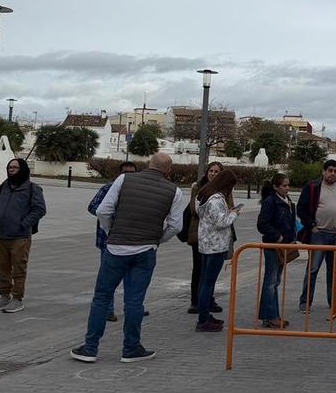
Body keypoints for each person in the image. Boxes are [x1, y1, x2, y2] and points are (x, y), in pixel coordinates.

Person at [71, 153, 184, 363]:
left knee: (102, 297)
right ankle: (131, 348)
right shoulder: (175, 191)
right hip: (145, 250)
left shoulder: (124, 179)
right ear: (168, 171)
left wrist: (110, 231)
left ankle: (90, 348)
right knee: (135, 301)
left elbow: (103, 210)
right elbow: (176, 226)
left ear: (148, 165)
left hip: (115, 249)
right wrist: (157, 239)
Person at [0, 157, 47, 313]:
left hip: (20, 237)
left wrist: (23, 224)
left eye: (15, 167)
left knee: (19, 268)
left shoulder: (33, 189)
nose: (11, 169)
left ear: (23, 170)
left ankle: (17, 298)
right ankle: (4, 295)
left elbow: (40, 209)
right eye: (9, 167)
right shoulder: (4, 186)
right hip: (1, 235)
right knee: (1, 267)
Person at [296, 159, 336, 314]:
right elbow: (301, 208)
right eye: (330, 170)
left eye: (335, 171)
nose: (332, 174)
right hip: (319, 234)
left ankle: (333, 300)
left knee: (333, 271)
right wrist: (312, 226)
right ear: (323, 171)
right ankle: (305, 301)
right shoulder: (313, 187)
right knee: (313, 269)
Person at [88, 161, 139, 322]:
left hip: (132, 241)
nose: (128, 176)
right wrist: (113, 217)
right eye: (125, 173)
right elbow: (93, 207)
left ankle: (131, 307)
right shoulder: (108, 188)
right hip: (109, 241)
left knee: (132, 278)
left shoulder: (138, 191)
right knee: (108, 278)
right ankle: (107, 310)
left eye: (132, 173)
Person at [194, 168, 242, 332]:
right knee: (208, 283)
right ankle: (202, 320)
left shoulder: (205, 196)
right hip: (215, 246)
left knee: (205, 282)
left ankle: (205, 315)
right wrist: (234, 213)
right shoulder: (216, 199)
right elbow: (221, 222)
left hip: (207, 244)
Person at [255, 172, 295, 329]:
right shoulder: (270, 202)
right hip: (273, 246)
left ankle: (272, 314)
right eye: (284, 186)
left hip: (285, 245)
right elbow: (262, 224)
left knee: (276, 281)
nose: (287, 188)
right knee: (271, 281)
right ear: (275, 187)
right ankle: (269, 316)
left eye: (288, 185)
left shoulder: (288, 201)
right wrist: (277, 236)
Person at [184, 161, 224, 316]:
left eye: (217, 171)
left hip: (217, 235)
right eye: (211, 171)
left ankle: (208, 298)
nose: (213, 174)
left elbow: (229, 206)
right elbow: (195, 209)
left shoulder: (224, 188)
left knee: (212, 269)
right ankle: (196, 300)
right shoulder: (198, 186)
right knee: (199, 268)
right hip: (199, 233)